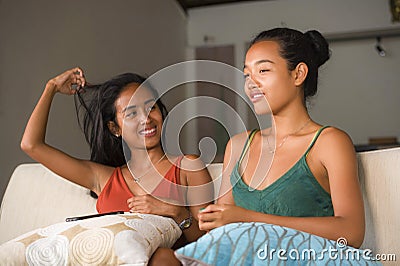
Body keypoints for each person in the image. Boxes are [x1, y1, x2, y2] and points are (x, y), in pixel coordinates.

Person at [151, 27, 368, 265]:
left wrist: (247, 218)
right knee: (161, 259)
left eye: (263, 70)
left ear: (298, 74)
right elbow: (221, 231)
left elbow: (352, 232)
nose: (251, 83)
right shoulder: (238, 146)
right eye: (246, 75)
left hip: (304, 259)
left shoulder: (329, 142)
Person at [20, 67, 214, 250]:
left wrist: (176, 212)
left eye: (151, 107)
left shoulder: (189, 168)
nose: (146, 119)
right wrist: (51, 87)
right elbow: (31, 145)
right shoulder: (103, 178)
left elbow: (210, 244)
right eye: (131, 113)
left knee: (161, 256)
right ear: (115, 128)